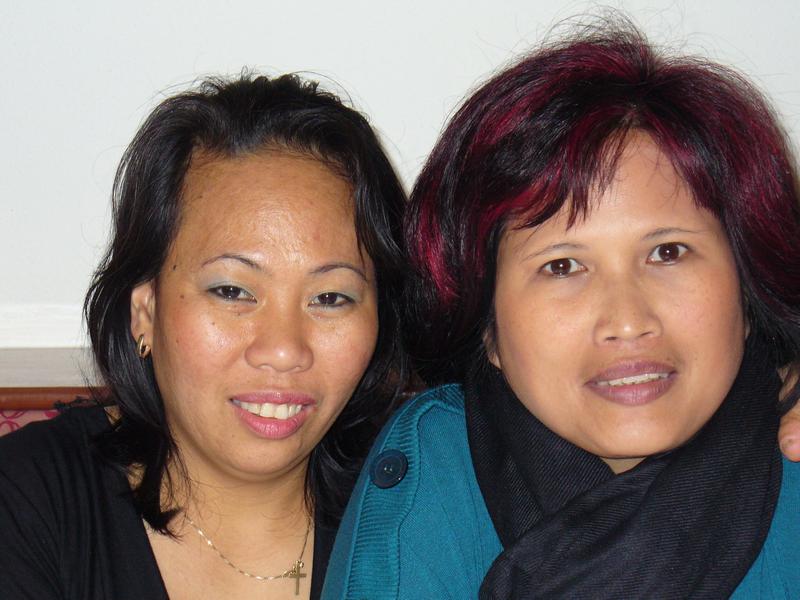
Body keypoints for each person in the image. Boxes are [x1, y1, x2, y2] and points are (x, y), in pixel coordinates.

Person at [324, 21, 800, 599]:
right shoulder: (434, 476)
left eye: (668, 253)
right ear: (488, 328)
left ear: (747, 288)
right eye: (563, 266)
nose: (627, 321)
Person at [0, 73, 408, 600]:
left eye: (330, 298)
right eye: (232, 291)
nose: (283, 350)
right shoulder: (27, 502)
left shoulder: (423, 508)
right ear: (144, 311)